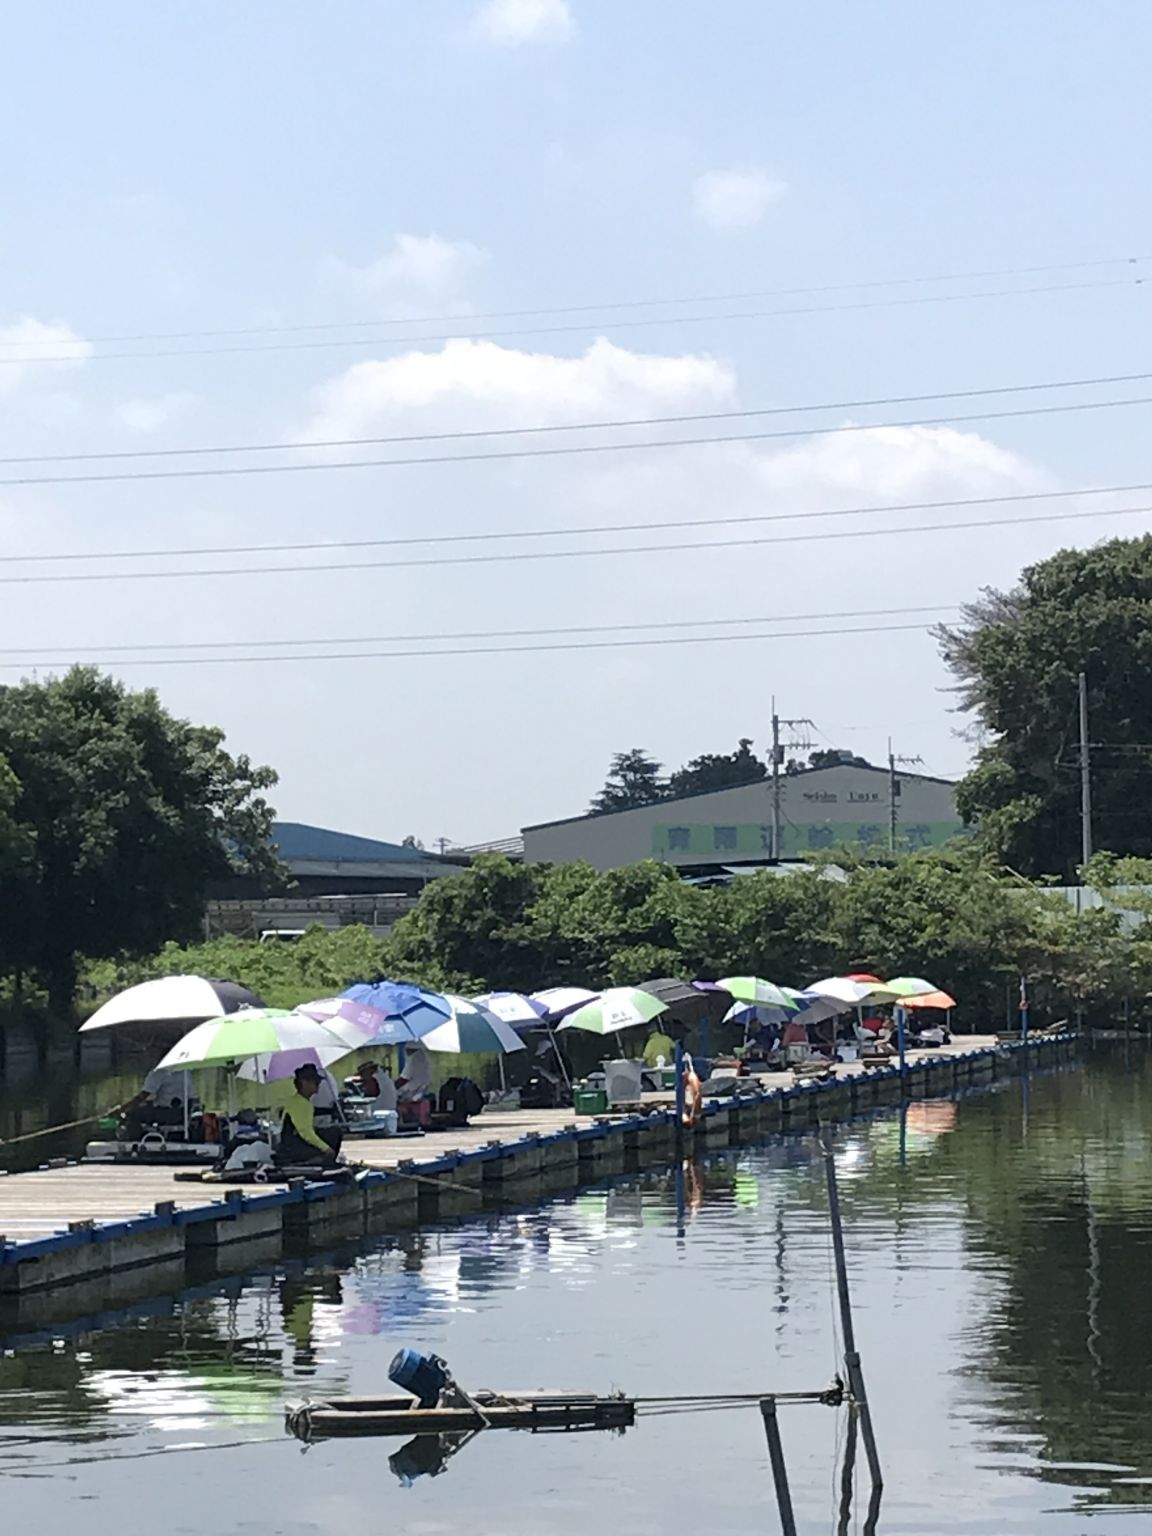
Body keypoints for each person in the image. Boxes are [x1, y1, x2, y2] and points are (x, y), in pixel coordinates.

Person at [277, 1064, 343, 1167]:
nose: (319, 1084)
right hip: (292, 1148)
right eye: (315, 1082)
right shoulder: (300, 1104)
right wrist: (326, 1149)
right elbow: (306, 1133)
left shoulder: (301, 1101)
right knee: (335, 1134)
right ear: (304, 1083)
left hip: (293, 1144)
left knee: (333, 1132)